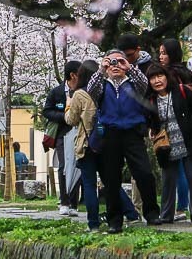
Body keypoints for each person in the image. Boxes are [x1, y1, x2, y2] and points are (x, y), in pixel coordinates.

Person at [86, 49, 162, 233]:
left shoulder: (134, 82)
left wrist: (129, 67)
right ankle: (115, 220)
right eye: (111, 62)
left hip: (133, 133)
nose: (115, 66)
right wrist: (101, 70)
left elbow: (145, 85)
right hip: (110, 134)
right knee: (111, 179)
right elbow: (91, 91)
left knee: (144, 173)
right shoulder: (102, 84)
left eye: (119, 61)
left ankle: (151, 213)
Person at [65, 60, 140, 231]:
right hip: (107, 143)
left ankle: (93, 224)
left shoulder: (80, 94)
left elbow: (71, 120)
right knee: (111, 182)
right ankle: (131, 213)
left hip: (87, 145)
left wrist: (68, 105)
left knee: (90, 184)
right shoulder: (107, 91)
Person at [146, 64, 192, 223]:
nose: (157, 80)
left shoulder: (182, 90)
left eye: (160, 76)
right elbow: (149, 120)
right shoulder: (151, 99)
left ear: (166, 77)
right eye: (153, 78)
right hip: (166, 145)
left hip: (188, 141)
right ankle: (166, 215)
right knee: (167, 180)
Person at [159, 38, 192, 219]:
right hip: (171, 131)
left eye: (164, 52)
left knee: (188, 173)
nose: (161, 56)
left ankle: (174, 213)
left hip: (187, 130)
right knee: (174, 175)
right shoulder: (185, 73)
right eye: (160, 53)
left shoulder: (176, 75)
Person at [42, 60, 81, 216]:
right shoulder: (57, 92)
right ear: (72, 75)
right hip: (62, 133)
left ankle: (74, 203)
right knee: (64, 166)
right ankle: (64, 201)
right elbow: (47, 111)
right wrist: (63, 116)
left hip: (79, 133)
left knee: (77, 166)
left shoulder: (82, 90)